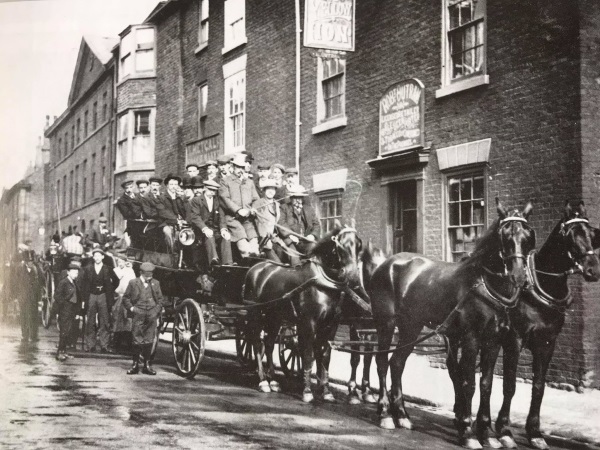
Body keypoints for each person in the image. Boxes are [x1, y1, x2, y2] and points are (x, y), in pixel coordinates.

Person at [122, 262, 166, 375]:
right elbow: (125, 298)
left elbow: (160, 300)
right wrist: (132, 309)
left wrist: (156, 311)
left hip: (151, 313)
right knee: (136, 338)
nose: (149, 277)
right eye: (146, 275)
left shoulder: (156, 283)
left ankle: (147, 365)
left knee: (149, 339)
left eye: (150, 275)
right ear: (141, 273)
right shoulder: (133, 283)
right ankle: (135, 365)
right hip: (138, 312)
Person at [218, 153, 260, 258]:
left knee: (254, 244)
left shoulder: (249, 182)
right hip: (233, 219)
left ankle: (255, 262)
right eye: (237, 167)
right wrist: (238, 210)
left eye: (242, 167)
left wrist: (254, 208)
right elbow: (224, 198)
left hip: (247, 219)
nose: (239, 169)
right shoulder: (225, 181)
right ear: (233, 167)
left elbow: (256, 199)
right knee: (244, 247)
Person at [189, 179, 233, 266]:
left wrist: (224, 229)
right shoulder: (196, 200)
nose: (212, 192)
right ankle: (214, 260)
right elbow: (195, 217)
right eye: (210, 190)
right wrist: (204, 228)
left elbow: (221, 217)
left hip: (215, 229)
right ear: (205, 188)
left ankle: (227, 263)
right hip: (201, 231)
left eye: (214, 190)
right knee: (209, 237)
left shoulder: (217, 201)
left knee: (226, 238)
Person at [82, 248, 118, 353]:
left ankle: (104, 345)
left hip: (103, 296)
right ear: (93, 258)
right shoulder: (88, 269)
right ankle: (90, 345)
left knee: (105, 321)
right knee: (90, 321)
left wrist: (110, 290)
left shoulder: (108, 269)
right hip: (92, 295)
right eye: (95, 256)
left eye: (99, 255)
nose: (97, 258)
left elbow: (116, 281)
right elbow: (84, 284)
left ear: (103, 257)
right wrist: (85, 298)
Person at [278, 185, 321, 265]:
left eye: (300, 197)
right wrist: (290, 235)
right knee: (294, 258)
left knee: (314, 250)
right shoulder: (284, 208)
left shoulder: (309, 209)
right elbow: (281, 223)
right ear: (291, 198)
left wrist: (312, 235)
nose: (298, 200)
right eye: (295, 197)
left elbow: (316, 224)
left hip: (305, 241)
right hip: (291, 241)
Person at [252, 178, 283, 262]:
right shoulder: (258, 203)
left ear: (275, 191)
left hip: (274, 238)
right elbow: (256, 219)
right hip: (263, 239)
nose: (270, 191)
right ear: (264, 190)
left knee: (283, 252)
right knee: (277, 262)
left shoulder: (277, 204)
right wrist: (253, 212)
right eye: (268, 189)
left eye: (273, 189)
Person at [14, 248, 41, 343]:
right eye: (28, 261)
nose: (30, 263)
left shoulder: (37, 269)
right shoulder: (20, 269)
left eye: (31, 261)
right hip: (23, 297)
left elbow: (40, 284)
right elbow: (15, 283)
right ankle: (24, 335)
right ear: (25, 262)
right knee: (24, 315)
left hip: (33, 297)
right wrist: (16, 297)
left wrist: (40, 298)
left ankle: (33, 335)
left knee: (34, 315)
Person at [55, 263, 80, 361]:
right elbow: (57, 296)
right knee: (64, 331)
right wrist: (64, 306)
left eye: (77, 273)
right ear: (68, 272)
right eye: (74, 272)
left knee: (68, 331)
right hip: (65, 310)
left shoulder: (74, 282)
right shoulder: (64, 282)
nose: (75, 274)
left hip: (71, 310)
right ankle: (59, 352)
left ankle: (64, 351)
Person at [156, 174, 187, 253]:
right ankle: (174, 253)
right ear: (167, 185)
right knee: (168, 232)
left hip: (179, 223)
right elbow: (162, 212)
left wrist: (184, 199)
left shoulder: (179, 198)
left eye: (176, 184)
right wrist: (176, 220)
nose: (174, 186)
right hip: (166, 223)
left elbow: (184, 211)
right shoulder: (161, 197)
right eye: (171, 184)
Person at [111, 256, 136, 351]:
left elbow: (133, 283)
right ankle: (116, 343)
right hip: (117, 297)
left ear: (125, 262)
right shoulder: (115, 270)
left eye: (122, 262)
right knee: (116, 318)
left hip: (127, 298)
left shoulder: (129, 271)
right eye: (119, 262)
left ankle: (128, 344)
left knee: (127, 319)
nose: (120, 264)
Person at [116, 180, 144, 248]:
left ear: (133, 187)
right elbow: (127, 214)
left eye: (131, 187)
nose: (129, 190)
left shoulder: (138, 195)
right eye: (127, 188)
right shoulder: (121, 201)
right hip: (133, 225)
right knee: (137, 243)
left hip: (144, 222)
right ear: (124, 189)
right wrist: (141, 214)